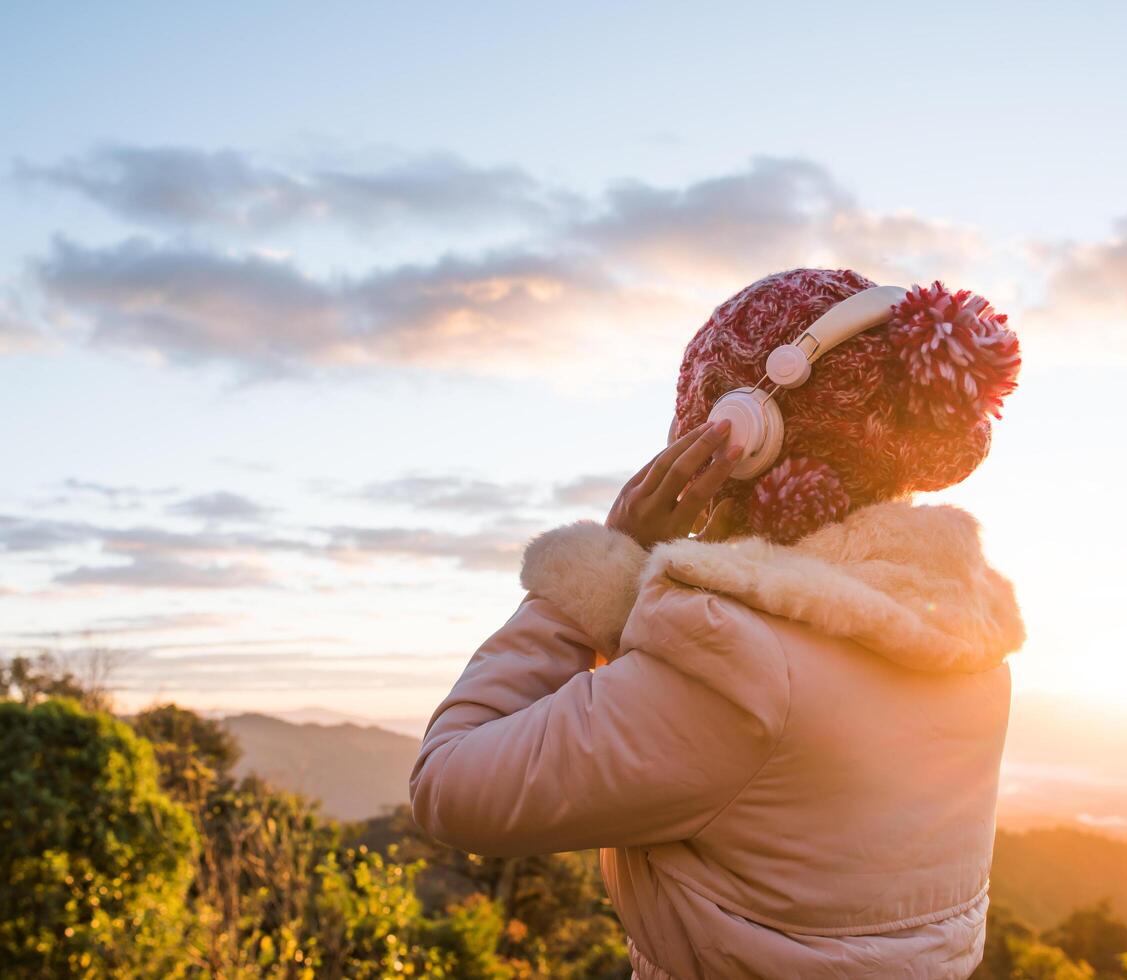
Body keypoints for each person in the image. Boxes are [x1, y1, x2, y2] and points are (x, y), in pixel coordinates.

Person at [409, 267, 1026, 979]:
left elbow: (447, 786)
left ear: (740, 434)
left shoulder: (731, 659)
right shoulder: (965, 639)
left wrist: (597, 567)